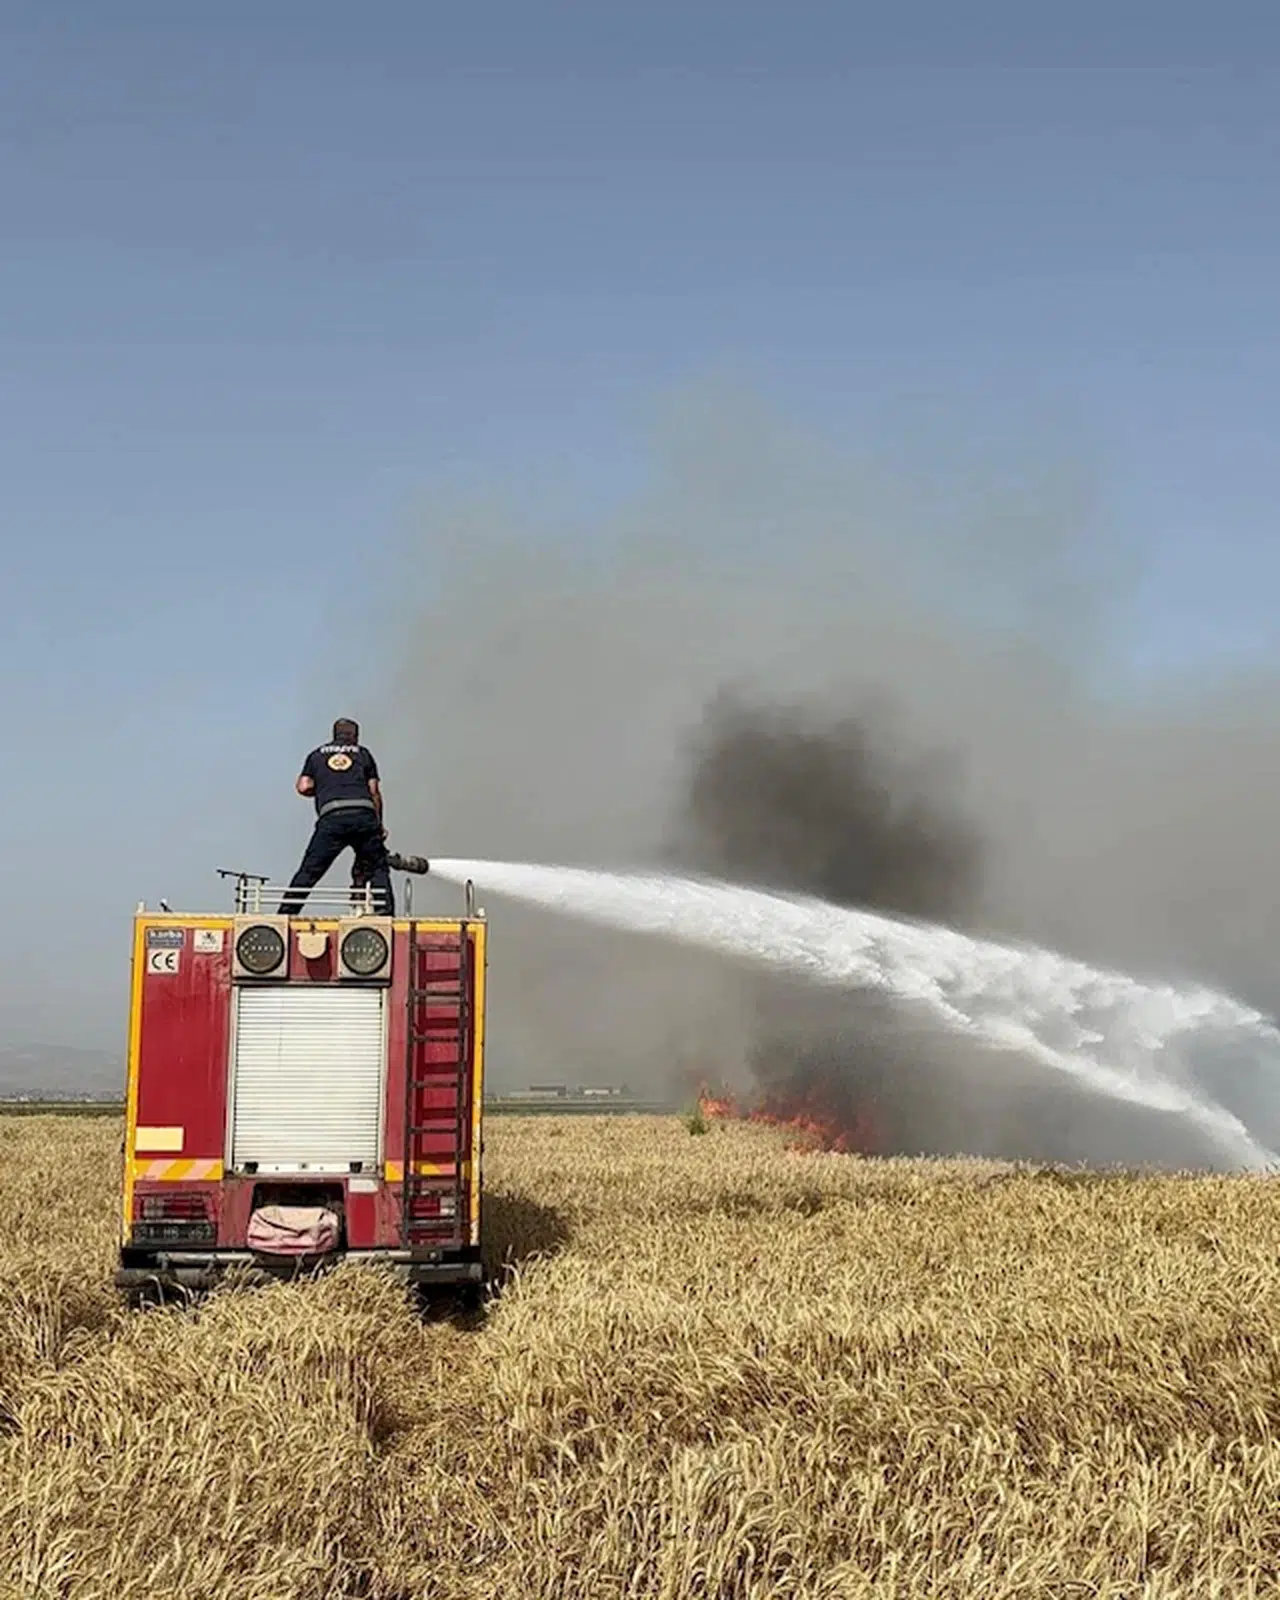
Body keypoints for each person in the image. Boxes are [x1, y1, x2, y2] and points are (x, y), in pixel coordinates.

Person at [277, 718, 395, 917]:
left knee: (310, 870)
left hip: (332, 818)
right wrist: (379, 824)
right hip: (364, 815)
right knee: (378, 867)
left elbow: (303, 786)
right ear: (355, 736)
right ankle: (386, 914)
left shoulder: (315, 756)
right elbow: (374, 791)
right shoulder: (364, 754)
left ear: (334, 735)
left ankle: (285, 914)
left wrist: (324, 789)